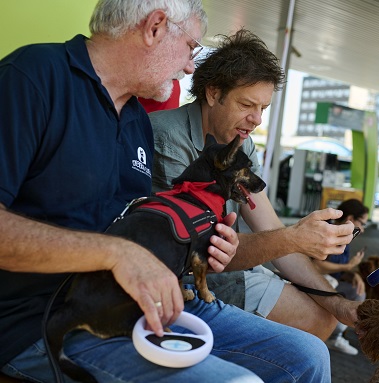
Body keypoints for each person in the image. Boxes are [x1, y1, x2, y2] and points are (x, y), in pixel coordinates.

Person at [0, 1, 333, 381]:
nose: (191, 65)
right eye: (191, 47)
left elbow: (140, 223)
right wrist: (117, 253)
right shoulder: (33, 77)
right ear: (155, 27)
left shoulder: (136, 120)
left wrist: (205, 244)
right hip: (45, 318)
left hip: (144, 303)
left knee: (307, 355)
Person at [150, 28, 359, 342]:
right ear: (212, 93)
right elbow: (201, 252)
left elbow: (269, 228)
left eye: (263, 108)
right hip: (184, 278)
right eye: (248, 105)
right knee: (312, 332)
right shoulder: (166, 138)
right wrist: (294, 238)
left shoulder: (241, 144)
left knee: (325, 318)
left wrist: (341, 305)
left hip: (229, 265)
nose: (257, 119)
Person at [312, 199, 368, 355]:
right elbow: (317, 265)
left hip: (328, 281)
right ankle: (333, 335)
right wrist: (348, 267)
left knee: (357, 290)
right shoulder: (326, 230)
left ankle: (335, 335)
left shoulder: (344, 235)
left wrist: (353, 274)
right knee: (353, 292)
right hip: (310, 281)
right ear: (350, 218)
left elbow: (338, 267)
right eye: (362, 223)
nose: (362, 229)